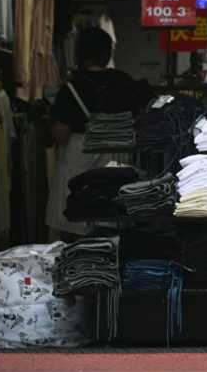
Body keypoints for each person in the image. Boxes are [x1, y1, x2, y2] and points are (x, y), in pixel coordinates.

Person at [46, 27, 152, 239]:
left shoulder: (71, 88)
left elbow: (60, 134)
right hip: (116, 156)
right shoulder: (124, 82)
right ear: (106, 53)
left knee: (74, 227)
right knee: (109, 230)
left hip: (79, 156)